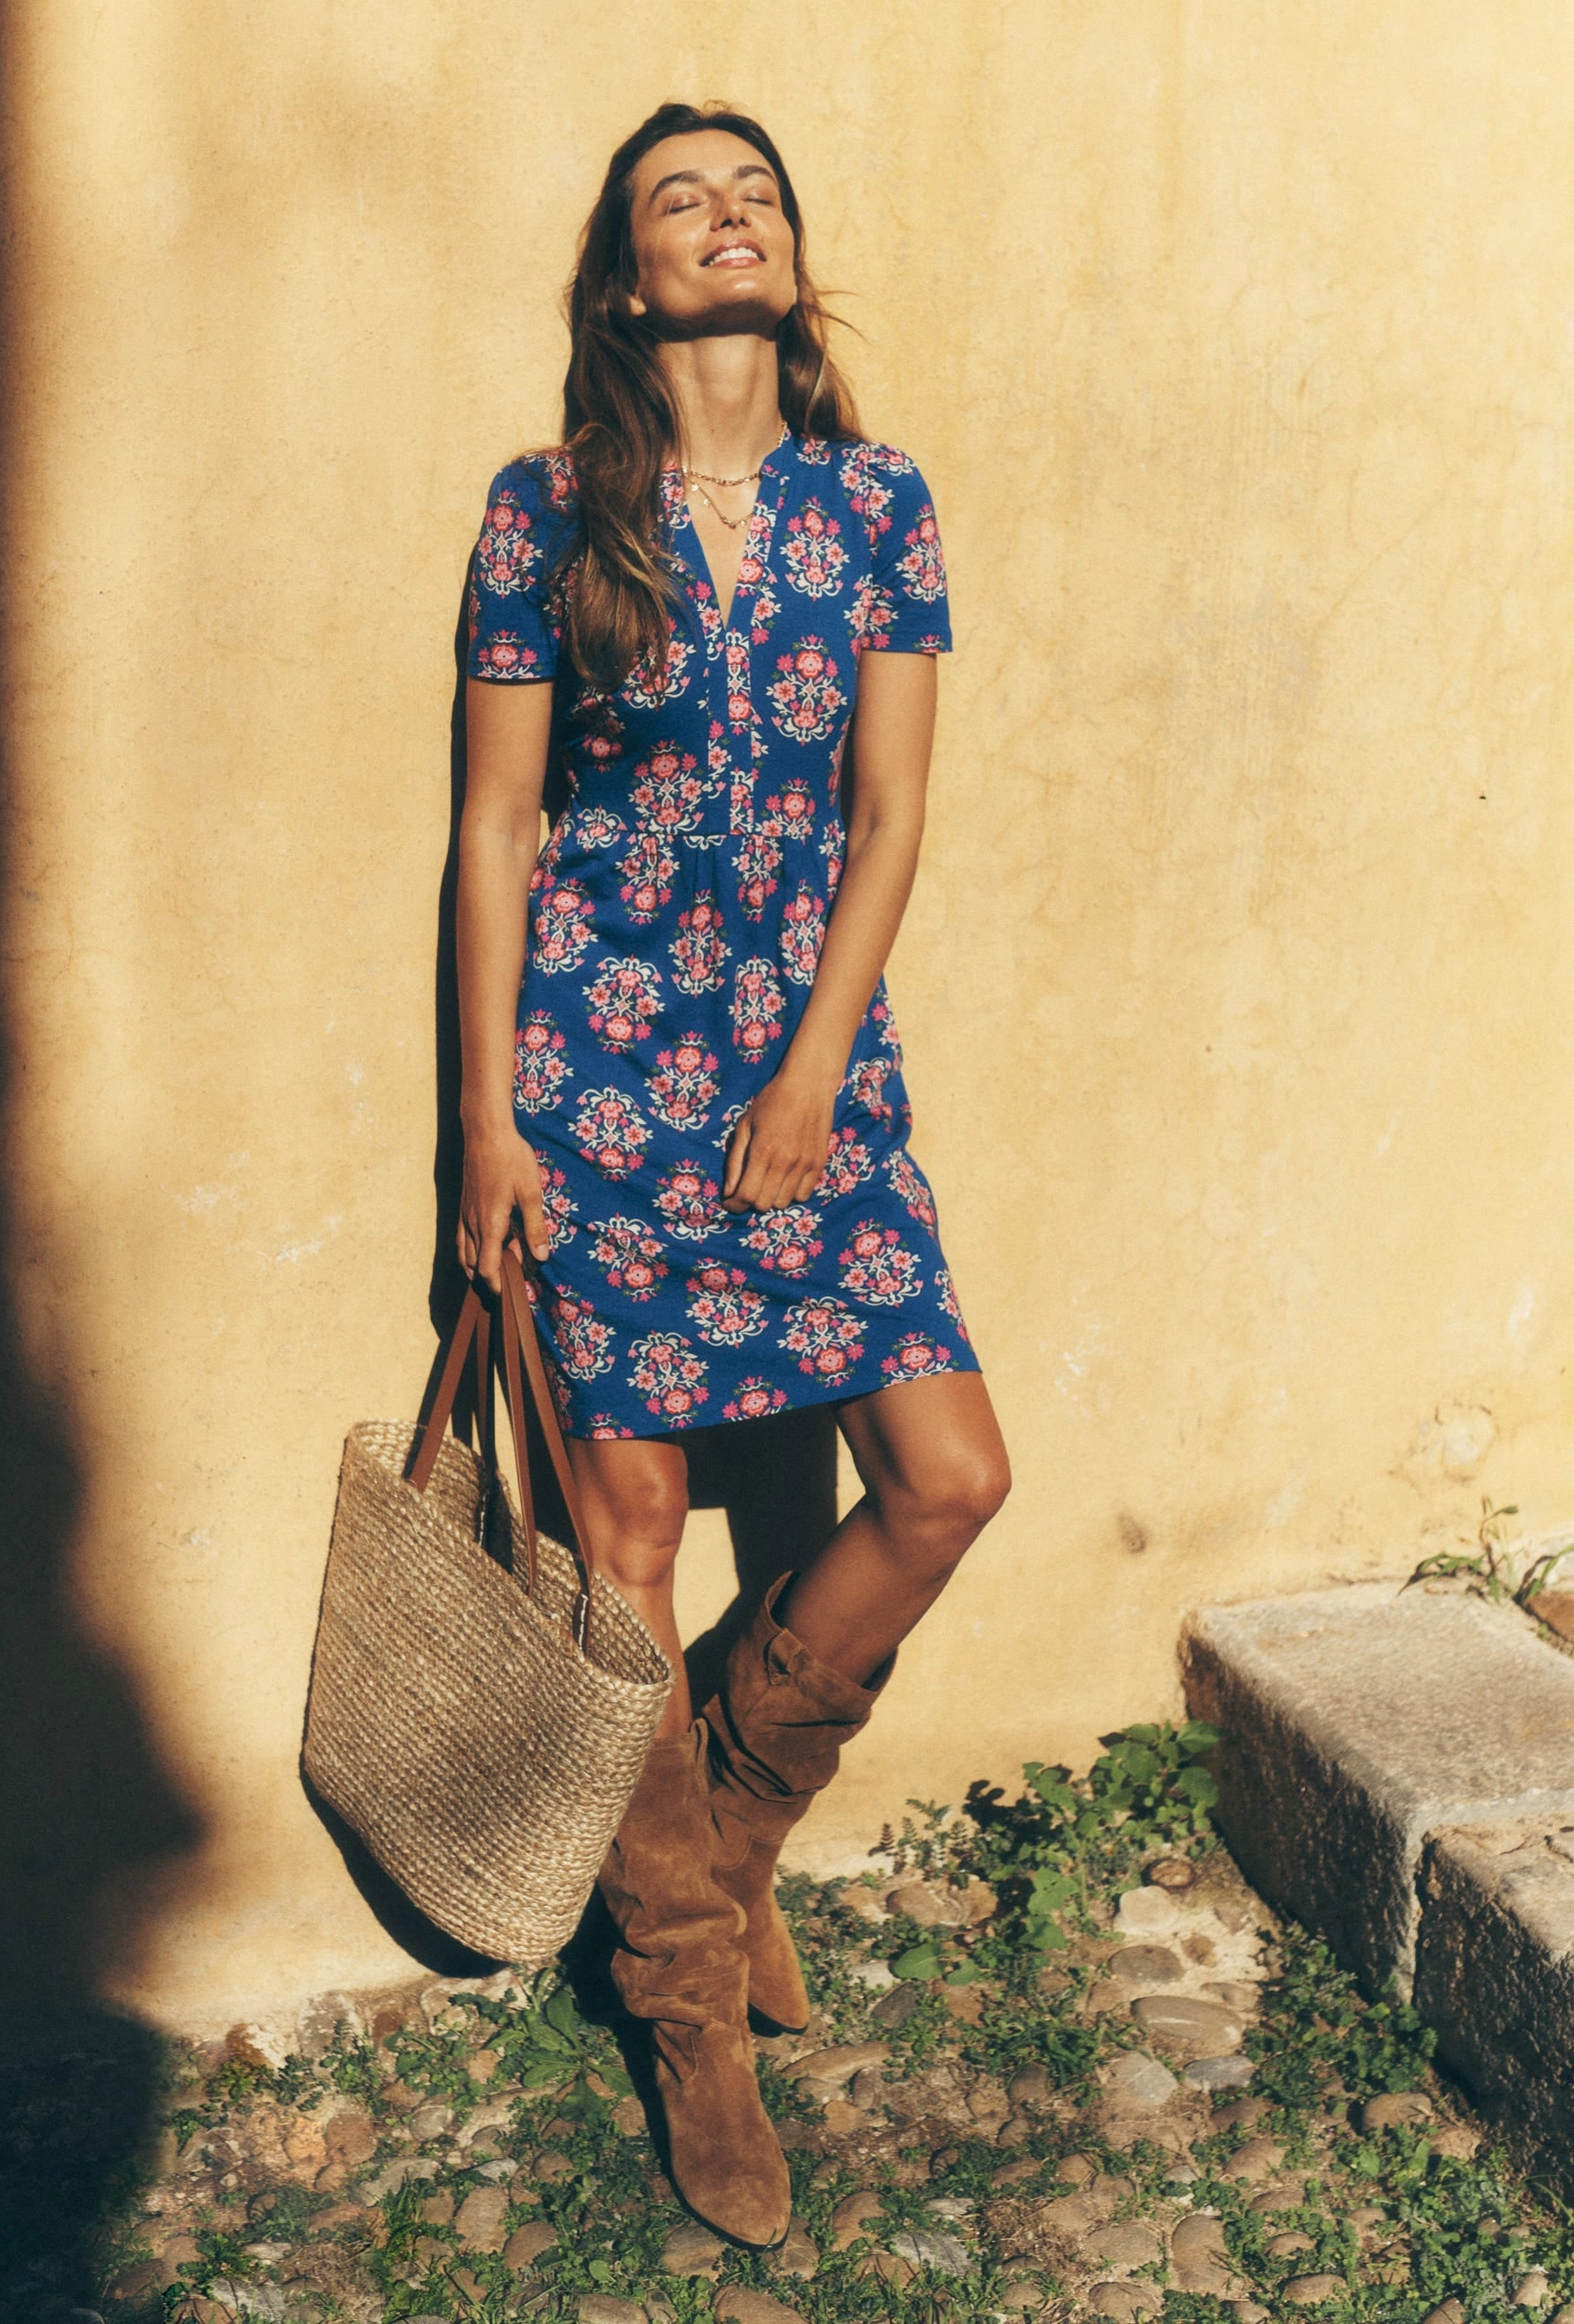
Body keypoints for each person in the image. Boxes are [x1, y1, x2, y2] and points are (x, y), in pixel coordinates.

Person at [456, 101, 1010, 2248]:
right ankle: (686, 2006)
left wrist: (808, 1073)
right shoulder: (547, 510)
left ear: (789, 253)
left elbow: (891, 817)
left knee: (948, 1477)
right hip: (590, 1075)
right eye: (679, 201)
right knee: (623, 1529)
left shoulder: (880, 504)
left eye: (753, 193)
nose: (726, 217)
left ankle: (724, 1819)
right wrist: (482, 1120)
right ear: (626, 277)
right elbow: (495, 827)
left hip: (806, 1062)